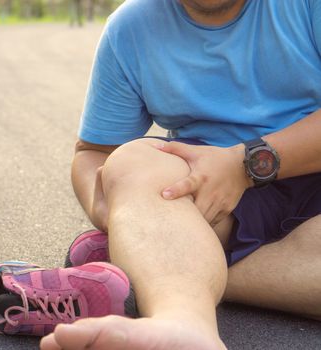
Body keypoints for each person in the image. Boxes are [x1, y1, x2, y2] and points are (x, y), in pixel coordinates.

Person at [37, 0, 321, 349]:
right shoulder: (131, 27)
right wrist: (110, 210)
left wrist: (243, 165)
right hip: (209, 200)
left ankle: (145, 272)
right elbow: (95, 152)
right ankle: (183, 323)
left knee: (158, 247)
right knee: (135, 163)